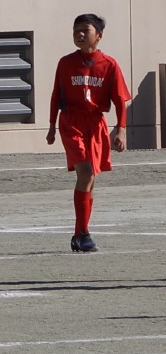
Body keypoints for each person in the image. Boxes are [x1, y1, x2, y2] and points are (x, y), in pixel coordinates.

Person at [45, 13, 130, 253]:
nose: (79, 34)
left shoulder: (109, 64)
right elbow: (56, 94)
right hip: (71, 121)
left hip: (95, 123)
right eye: (76, 30)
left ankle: (80, 234)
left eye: (85, 30)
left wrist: (121, 129)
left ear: (99, 35)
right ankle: (82, 233)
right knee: (86, 172)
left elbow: (120, 99)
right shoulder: (65, 63)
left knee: (91, 178)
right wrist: (51, 126)